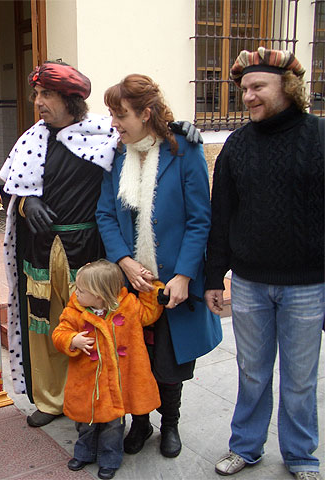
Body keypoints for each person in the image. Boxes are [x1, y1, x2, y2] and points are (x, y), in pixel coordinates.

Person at [0, 61, 200, 428]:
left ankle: (91, 397)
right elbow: (11, 185)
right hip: (41, 250)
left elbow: (146, 134)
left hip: (87, 249)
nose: (38, 102)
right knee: (44, 326)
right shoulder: (30, 140)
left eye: (47, 94)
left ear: (71, 100)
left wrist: (181, 128)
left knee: (89, 325)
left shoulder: (105, 136)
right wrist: (28, 202)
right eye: (37, 94)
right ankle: (50, 399)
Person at [205, 47, 324, 480]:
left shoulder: (320, 137)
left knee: (300, 379)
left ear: (287, 88)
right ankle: (246, 447)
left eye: (258, 87)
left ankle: (301, 456)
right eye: (243, 90)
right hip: (251, 283)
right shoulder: (237, 145)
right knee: (252, 373)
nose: (248, 96)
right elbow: (221, 217)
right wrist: (215, 275)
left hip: (308, 285)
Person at [96, 74, 222, 459]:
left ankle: (170, 424)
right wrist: (125, 261)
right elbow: (105, 214)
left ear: (146, 113)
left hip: (172, 281)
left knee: (169, 360)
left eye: (120, 115)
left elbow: (201, 218)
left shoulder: (184, 150)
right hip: (131, 281)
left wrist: (184, 275)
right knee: (135, 358)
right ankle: (140, 423)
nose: (114, 124)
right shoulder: (117, 153)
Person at [52, 259, 165, 480]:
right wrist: (72, 340)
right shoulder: (75, 310)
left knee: (114, 426)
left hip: (117, 385)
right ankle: (84, 452)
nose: (76, 292)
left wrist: (152, 288)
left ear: (99, 294)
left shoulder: (129, 306)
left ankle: (110, 459)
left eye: (82, 289)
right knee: (86, 423)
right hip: (88, 385)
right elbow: (59, 332)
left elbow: (150, 313)